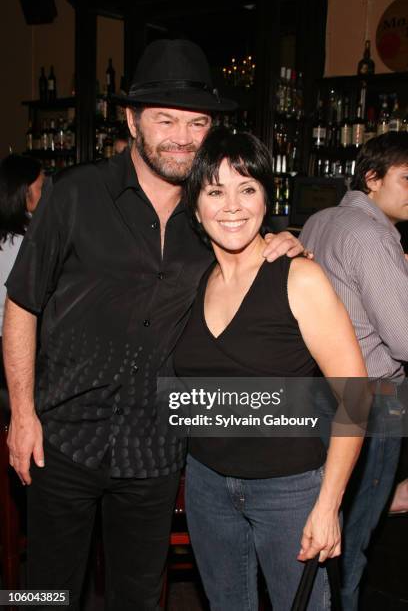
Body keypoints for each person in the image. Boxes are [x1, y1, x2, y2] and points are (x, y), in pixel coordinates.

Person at [2, 40, 304, 610]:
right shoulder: (75, 194)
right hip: (62, 435)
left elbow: (254, 246)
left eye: (196, 122)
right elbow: (22, 304)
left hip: (157, 445)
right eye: (165, 120)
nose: (183, 137)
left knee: (138, 595)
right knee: (45, 587)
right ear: (132, 120)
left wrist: (287, 241)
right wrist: (22, 414)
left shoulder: (213, 211)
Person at [174, 127, 367, 610]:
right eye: (215, 191)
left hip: (289, 491)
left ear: (267, 197)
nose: (232, 206)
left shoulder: (299, 276)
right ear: (196, 207)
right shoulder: (192, 280)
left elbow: (359, 396)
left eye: (247, 189)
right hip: (206, 485)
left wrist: (329, 504)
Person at [300, 131, 408, 610]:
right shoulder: (372, 236)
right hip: (375, 399)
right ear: (372, 178)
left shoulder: (321, 219)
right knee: (355, 535)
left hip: (322, 393)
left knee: (325, 524)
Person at [0, 154, 44, 383]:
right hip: (18, 345)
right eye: (42, 188)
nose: (46, 194)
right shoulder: (32, 240)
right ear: (25, 194)